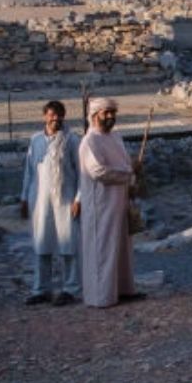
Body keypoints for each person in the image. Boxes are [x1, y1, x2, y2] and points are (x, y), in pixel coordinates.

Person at [77, 97, 142, 309]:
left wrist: (132, 176)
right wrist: (128, 173)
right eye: (106, 113)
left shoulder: (115, 136)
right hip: (101, 206)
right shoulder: (90, 141)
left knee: (122, 247)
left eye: (113, 112)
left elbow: (123, 163)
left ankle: (123, 290)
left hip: (120, 201)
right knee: (102, 249)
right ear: (95, 116)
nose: (111, 117)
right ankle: (101, 296)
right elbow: (97, 171)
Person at [20, 100, 82, 306]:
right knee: (41, 243)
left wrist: (78, 199)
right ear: (45, 116)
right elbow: (29, 170)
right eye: (51, 115)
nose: (55, 118)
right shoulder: (36, 140)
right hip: (39, 200)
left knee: (68, 243)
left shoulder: (72, 140)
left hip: (66, 198)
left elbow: (81, 172)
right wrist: (23, 197)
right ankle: (41, 289)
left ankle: (71, 288)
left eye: (59, 115)